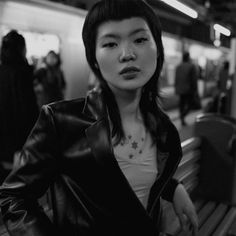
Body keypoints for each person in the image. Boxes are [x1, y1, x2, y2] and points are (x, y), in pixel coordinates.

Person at [0, 1, 198, 235]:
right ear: (93, 58)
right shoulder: (61, 123)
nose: (127, 54)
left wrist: (173, 188)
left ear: (158, 49)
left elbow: (125, 185)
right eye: (110, 43)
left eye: (140, 39)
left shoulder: (163, 128)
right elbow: (13, 196)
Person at [0, 30, 39, 182]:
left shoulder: (2, 71)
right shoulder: (23, 74)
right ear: (22, 49)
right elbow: (27, 109)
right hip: (18, 139)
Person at [174, 51, 198, 126]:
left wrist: (176, 88)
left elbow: (176, 78)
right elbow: (193, 79)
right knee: (190, 104)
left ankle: (182, 117)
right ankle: (182, 116)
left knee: (182, 104)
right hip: (188, 89)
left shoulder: (178, 66)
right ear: (188, 57)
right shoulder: (191, 66)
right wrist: (195, 90)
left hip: (180, 89)